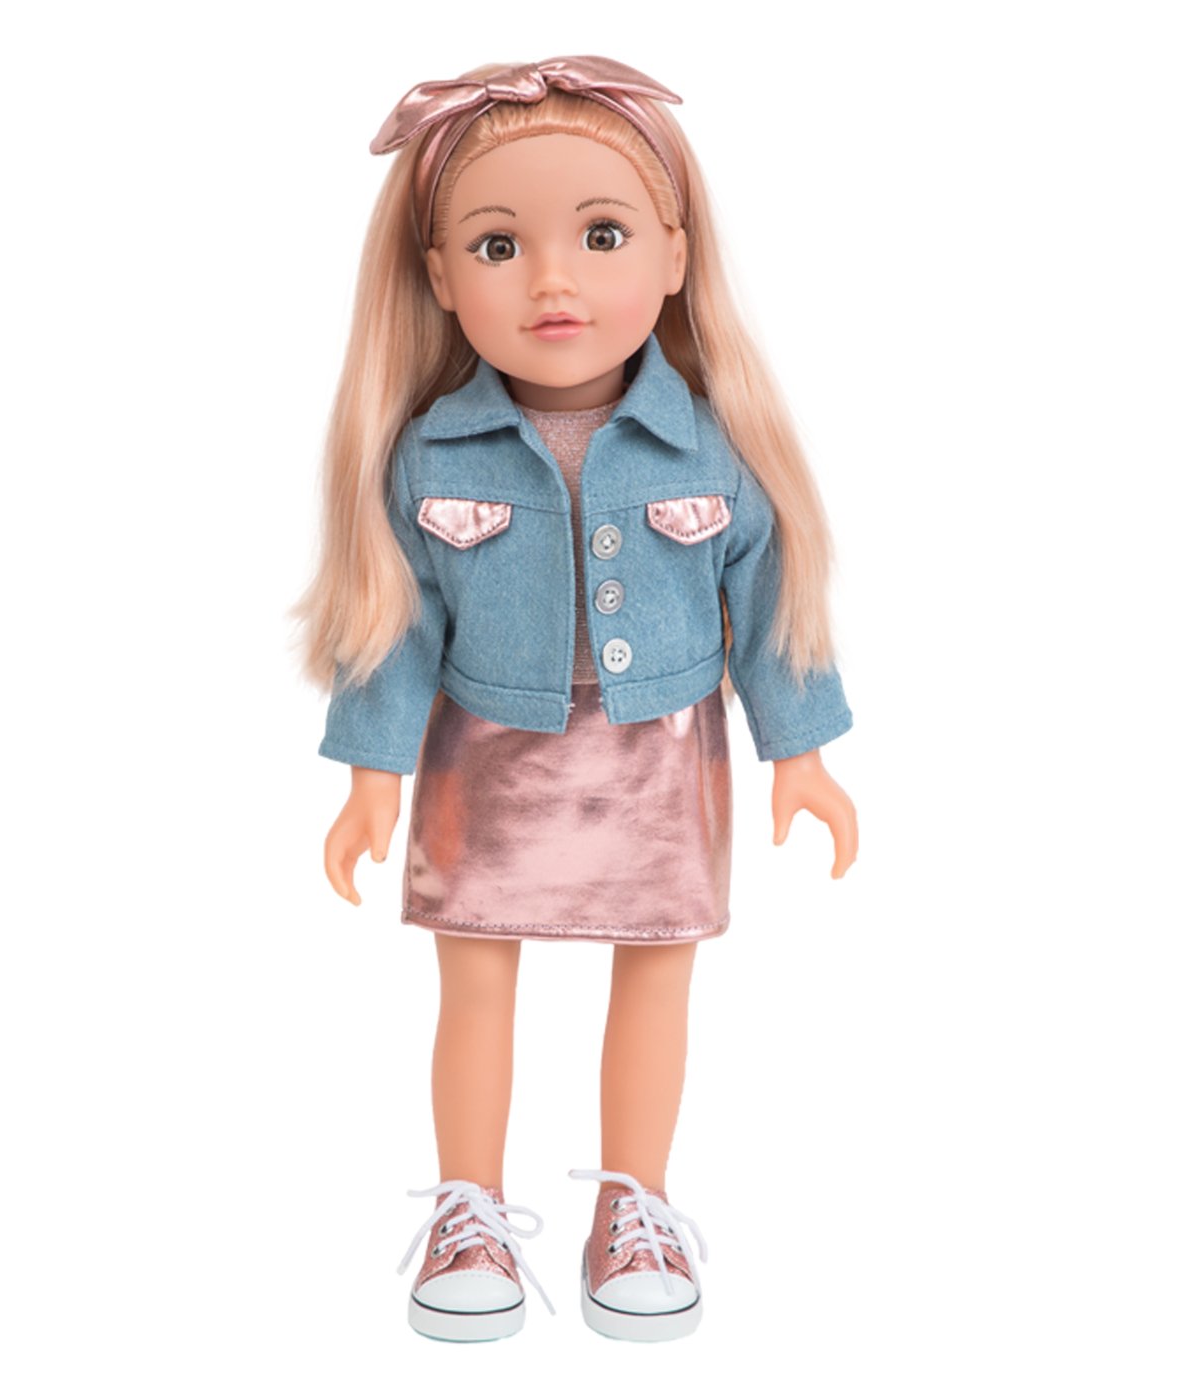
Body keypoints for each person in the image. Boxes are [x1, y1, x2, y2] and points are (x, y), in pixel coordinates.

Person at [295, 56, 859, 1343]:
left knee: (654, 981)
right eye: (498, 245)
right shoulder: (429, 454)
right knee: (474, 984)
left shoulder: (709, 444)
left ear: (674, 253)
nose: (552, 280)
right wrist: (370, 774)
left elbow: (772, 600)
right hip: (482, 756)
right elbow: (393, 621)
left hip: (659, 754)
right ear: (440, 276)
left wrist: (802, 752)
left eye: (600, 235)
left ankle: (633, 1204)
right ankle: (470, 1211)